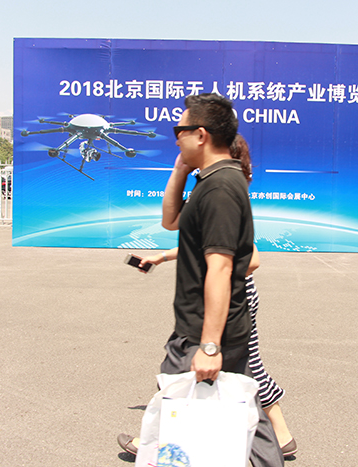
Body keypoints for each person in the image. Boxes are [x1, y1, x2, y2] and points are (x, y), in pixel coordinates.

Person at [118, 94, 284, 466]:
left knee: (183, 411)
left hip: (203, 331)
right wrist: (180, 169)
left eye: (179, 130)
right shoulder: (209, 181)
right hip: (209, 327)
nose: (175, 138)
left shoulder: (221, 188)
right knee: (241, 410)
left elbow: (220, 268)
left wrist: (209, 346)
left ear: (201, 134)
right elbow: (172, 221)